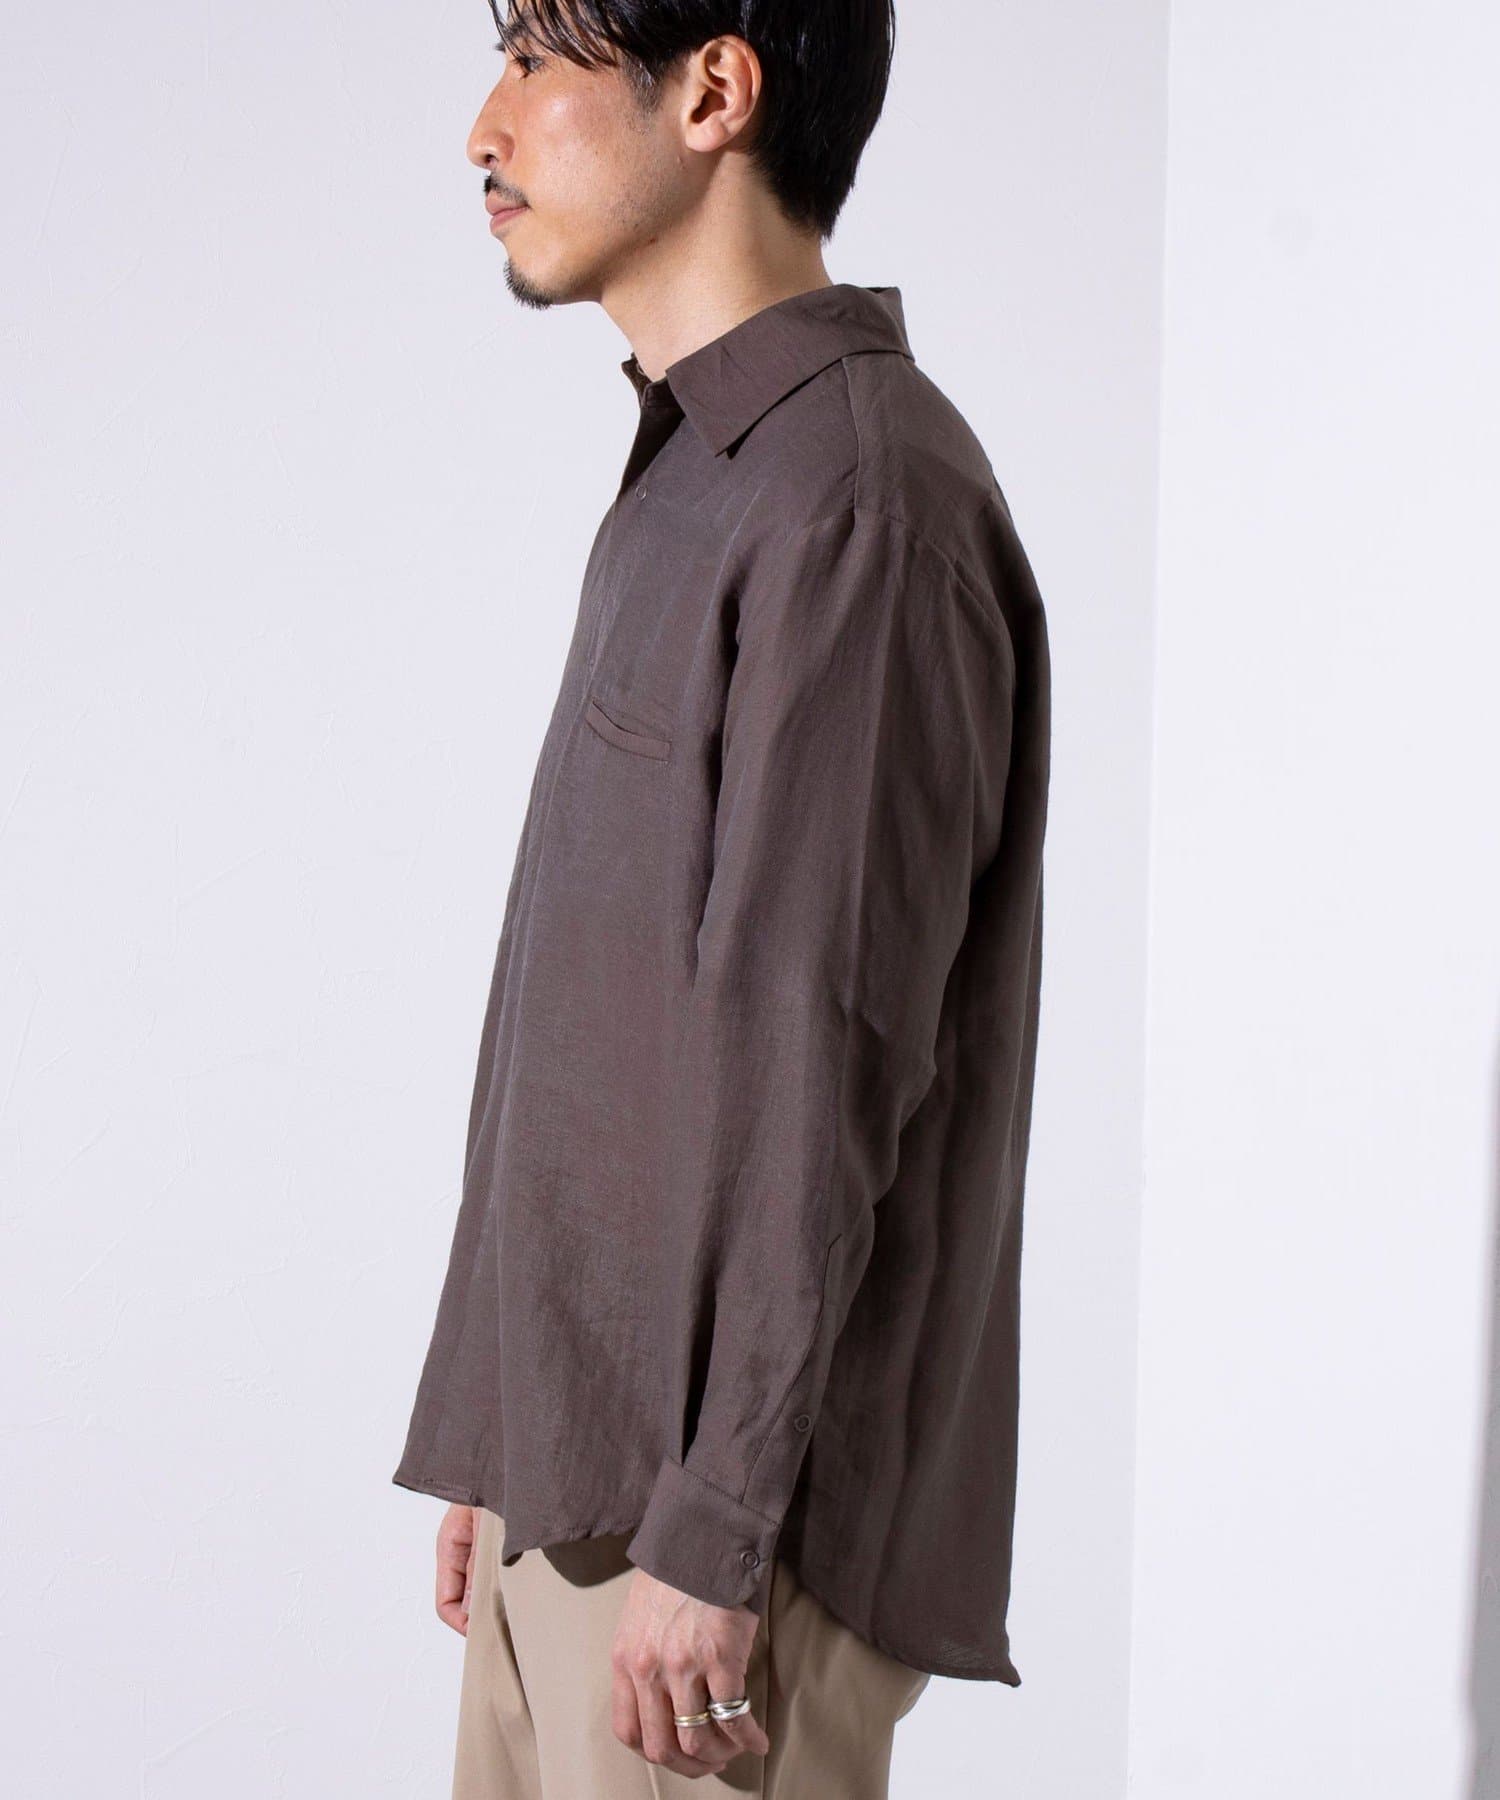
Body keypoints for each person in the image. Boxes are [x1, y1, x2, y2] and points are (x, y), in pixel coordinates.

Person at [391, 2, 1052, 1793]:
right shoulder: (706, 468)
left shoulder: (861, 502)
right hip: (578, 1509)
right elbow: (591, 1020)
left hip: (707, 1571)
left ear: (712, 90)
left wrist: (720, 1518)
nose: (485, 124)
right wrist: (505, 1427)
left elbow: (821, 1054)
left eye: (537, 56)